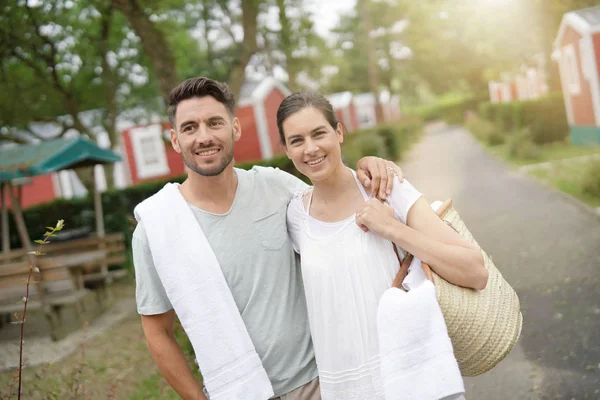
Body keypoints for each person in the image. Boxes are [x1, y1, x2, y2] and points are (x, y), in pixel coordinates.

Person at [132, 77, 405, 400]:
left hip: (318, 382)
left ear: (235, 128)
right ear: (176, 140)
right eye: (190, 128)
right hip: (234, 393)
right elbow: (157, 332)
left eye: (214, 123)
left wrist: (367, 164)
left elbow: (334, 194)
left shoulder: (275, 186)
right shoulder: (157, 227)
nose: (204, 137)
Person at [279, 91, 489, 400]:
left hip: (410, 380)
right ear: (285, 149)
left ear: (339, 132)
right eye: (296, 141)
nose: (310, 149)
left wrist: (392, 228)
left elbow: (475, 271)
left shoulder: (386, 189)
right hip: (345, 388)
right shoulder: (296, 216)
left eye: (318, 133)